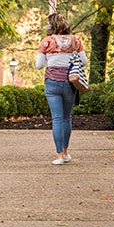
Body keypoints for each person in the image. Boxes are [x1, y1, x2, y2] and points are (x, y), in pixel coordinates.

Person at [35, 13, 88, 165]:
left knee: (57, 118)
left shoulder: (46, 41)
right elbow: (84, 62)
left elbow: (39, 65)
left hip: (52, 83)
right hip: (70, 83)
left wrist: (47, 55)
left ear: (51, 27)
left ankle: (58, 156)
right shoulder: (75, 40)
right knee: (66, 118)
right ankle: (65, 153)